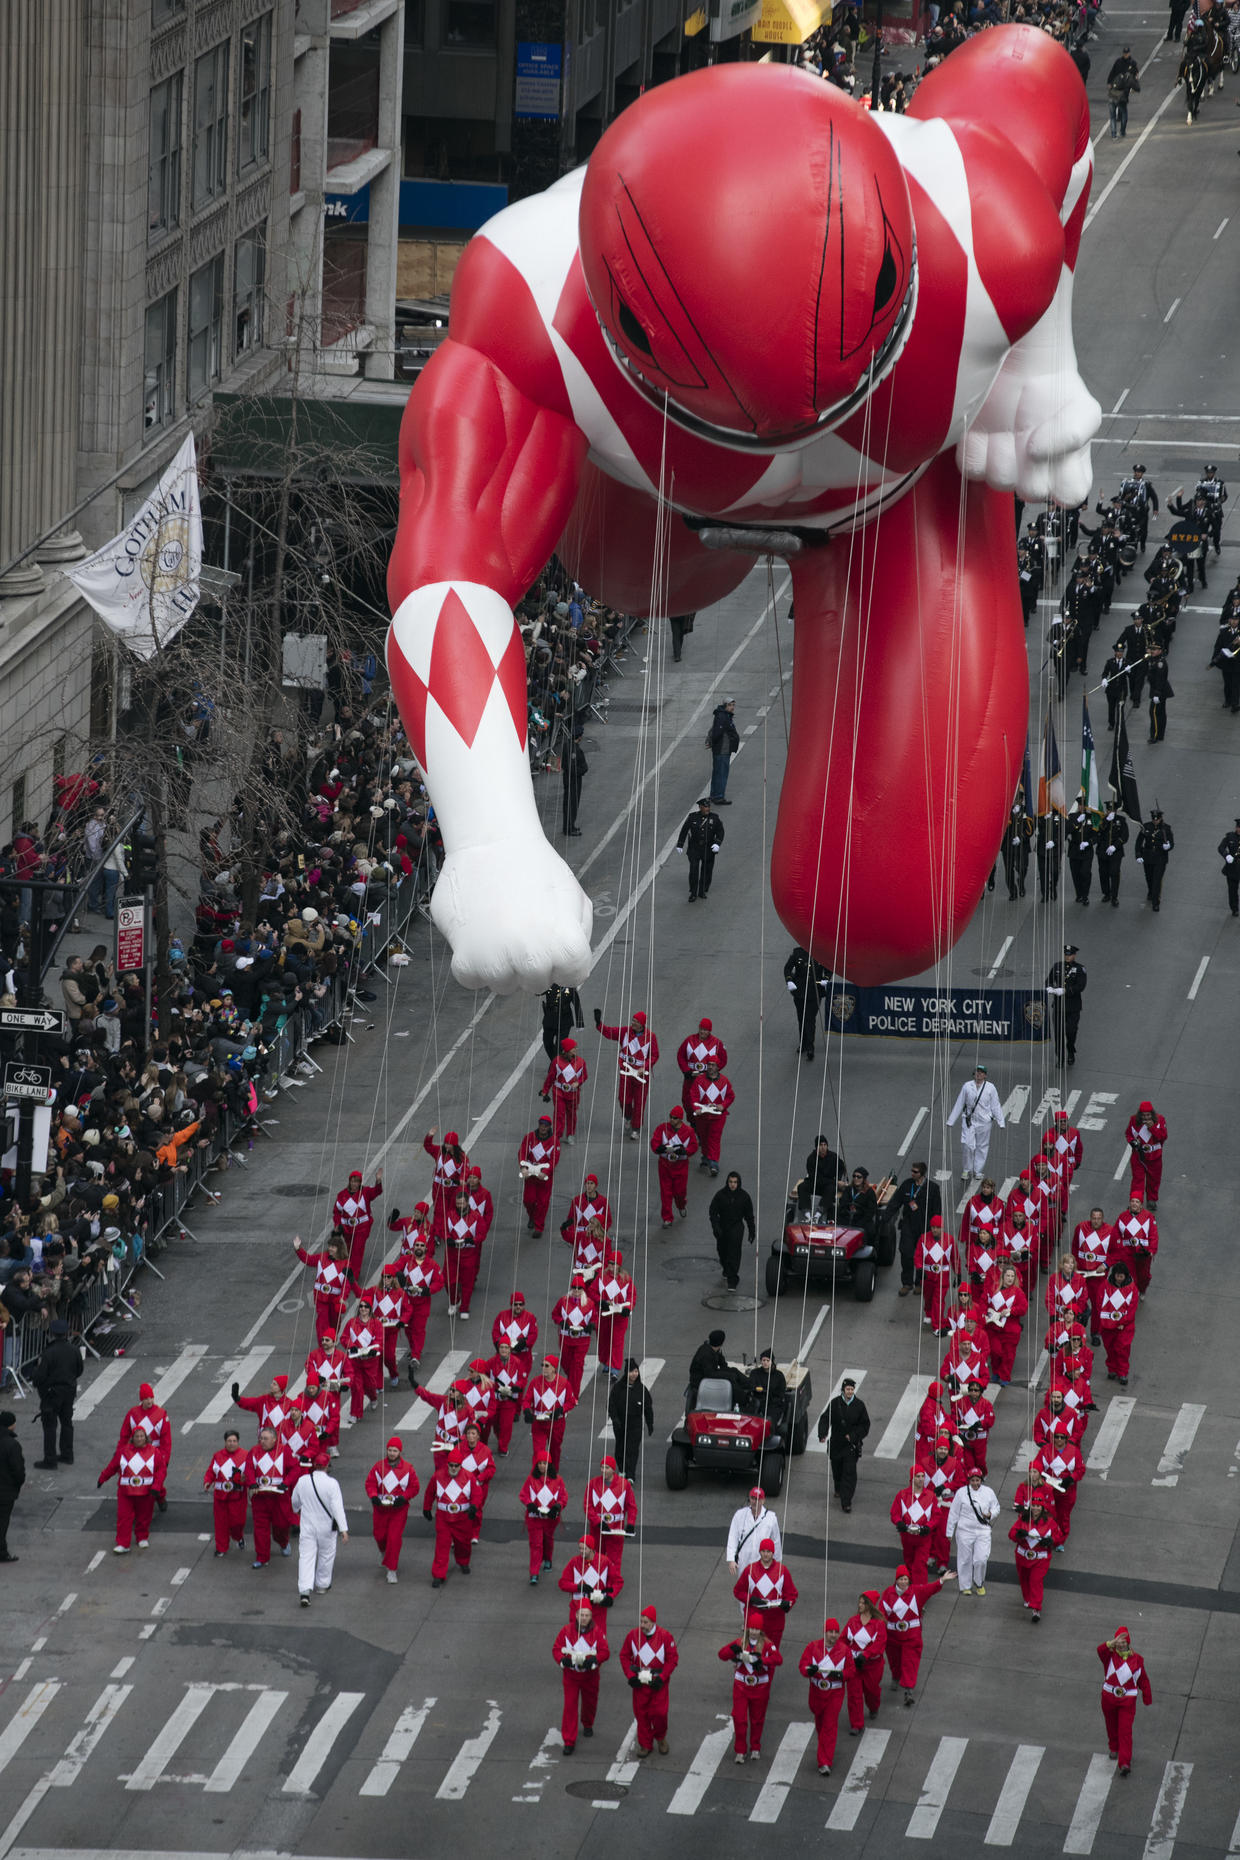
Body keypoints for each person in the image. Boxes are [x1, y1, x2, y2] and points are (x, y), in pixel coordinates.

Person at [880, 1563, 956, 1706]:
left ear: (909, 1580)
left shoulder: (916, 1591)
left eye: (905, 1579)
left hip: (912, 1637)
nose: (903, 1582)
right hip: (892, 1637)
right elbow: (881, 1612)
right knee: (894, 1661)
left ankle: (908, 1691)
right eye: (901, 1579)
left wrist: (942, 1580)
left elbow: (930, 1588)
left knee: (910, 1663)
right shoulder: (888, 1594)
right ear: (896, 1580)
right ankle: (896, 1677)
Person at [720, 1611, 782, 1762]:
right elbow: (721, 1654)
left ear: (761, 1630)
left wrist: (763, 1661)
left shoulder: (768, 1645)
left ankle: (755, 1747)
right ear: (747, 1629)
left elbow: (778, 1659)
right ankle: (740, 1750)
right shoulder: (740, 1642)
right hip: (741, 1686)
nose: (754, 1632)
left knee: (757, 1720)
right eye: (751, 1628)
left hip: (760, 1688)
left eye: (756, 1629)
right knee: (739, 1719)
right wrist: (732, 1652)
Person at [97, 1424, 167, 1554]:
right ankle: (123, 1543)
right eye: (137, 1436)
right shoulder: (123, 1452)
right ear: (132, 1438)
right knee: (124, 1517)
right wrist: (102, 1478)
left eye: (142, 1436)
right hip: (126, 1492)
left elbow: (161, 1471)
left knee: (144, 1516)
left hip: (146, 1492)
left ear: (146, 1438)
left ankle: (142, 1537)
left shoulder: (154, 1452)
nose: (139, 1439)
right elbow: (112, 1467)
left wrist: (156, 1486)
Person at [620, 1604, 678, 1757]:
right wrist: (630, 1676)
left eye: (645, 1622)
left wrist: (662, 1677)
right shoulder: (633, 1635)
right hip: (640, 1683)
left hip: (658, 1683)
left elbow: (672, 1660)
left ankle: (660, 1737)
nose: (642, 1625)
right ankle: (645, 1744)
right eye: (641, 1621)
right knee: (641, 1714)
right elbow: (624, 1656)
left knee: (660, 1713)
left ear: (653, 1622)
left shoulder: (665, 1636)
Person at [291, 1452, 348, 1605]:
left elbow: (294, 1502)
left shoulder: (303, 1481)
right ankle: (322, 1585)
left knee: (306, 1556)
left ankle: (304, 1590)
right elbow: (337, 1508)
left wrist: (297, 1510)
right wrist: (343, 1529)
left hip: (308, 1525)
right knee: (326, 1554)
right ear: (327, 1466)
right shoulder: (332, 1484)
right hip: (326, 1526)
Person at [799, 1620, 855, 1777]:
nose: (833, 1635)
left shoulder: (844, 1650)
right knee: (821, 1724)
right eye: (831, 1632)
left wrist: (841, 1675)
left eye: (836, 1632)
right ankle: (824, 1748)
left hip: (834, 1694)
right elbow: (802, 1666)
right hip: (816, 1693)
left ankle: (824, 1762)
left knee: (829, 1727)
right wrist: (809, 1671)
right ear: (825, 1632)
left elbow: (851, 1670)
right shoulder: (813, 1647)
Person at [554, 1600, 610, 1754]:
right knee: (570, 1707)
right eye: (581, 1615)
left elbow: (605, 1652)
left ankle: (587, 1723)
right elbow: (556, 1649)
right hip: (571, 1676)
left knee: (590, 1703)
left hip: (590, 1676)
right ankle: (569, 1740)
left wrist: (595, 1660)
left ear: (591, 1616)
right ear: (576, 1615)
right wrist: (562, 1660)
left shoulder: (597, 1632)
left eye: (587, 1615)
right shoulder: (566, 1631)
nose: (584, 1618)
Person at [595, 1008, 659, 1138]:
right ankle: (628, 1116)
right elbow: (610, 1032)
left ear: (642, 1024)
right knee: (623, 1099)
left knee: (640, 1102)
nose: (633, 1023)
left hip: (641, 1076)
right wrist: (599, 1023)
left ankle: (636, 1129)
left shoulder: (650, 1037)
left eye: (636, 1021)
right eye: (633, 1020)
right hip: (626, 1072)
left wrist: (645, 1067)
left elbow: (654, 1055)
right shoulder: (625, 1031)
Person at [1098, 1627, 1153, 1775]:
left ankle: (1124, 1762)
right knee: (1111, 1725)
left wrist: (1147, 1696)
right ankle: (1114, 1747)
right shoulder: (1108, 1656)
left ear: (1128, 1643)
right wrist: (1111, 1642)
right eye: (1119, 1642)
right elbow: (1100, 1650)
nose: (1121, 1645)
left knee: (1125, 1731)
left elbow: (1143, 1680)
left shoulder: (1138, 1660)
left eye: (1124, 1642)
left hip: (1127, 1702)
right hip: (1108, 1699)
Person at [31, 1316, 82, 1470]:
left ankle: (50, 1459)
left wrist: (35, 1378)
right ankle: (67, 1454)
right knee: (67, 1423)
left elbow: (40, 1376)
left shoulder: (48, 1353)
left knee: (50, 1426)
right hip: (69, 1391)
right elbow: (79, 1370)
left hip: (52, 1393)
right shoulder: (74, 1350)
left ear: (52, 1333)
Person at [424, 1446, 481, 1586]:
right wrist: (426, 1508)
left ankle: (463, 1561)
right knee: (442, 1546)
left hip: (463, 1518)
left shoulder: (469, 1477)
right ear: (447, 1464)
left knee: (464, 1544)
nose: (454, 1468)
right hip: (444, 1518)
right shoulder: (437, 1476)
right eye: (451, 1465)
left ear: (461, 1465)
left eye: (456, 1466)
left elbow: (477, 1494)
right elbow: (429, 1492)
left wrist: (474, 1507)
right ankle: (438, 1574)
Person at [365, 1436, 418, 1584]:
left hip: (398, 1510)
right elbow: (370, 1483)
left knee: (394, 1539)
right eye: (390, 1450)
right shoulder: (378, 1467)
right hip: (380, 1508)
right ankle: (384, 1553)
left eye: (395, 1450)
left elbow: (414, 1487)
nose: (392, 1453)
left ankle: (392, 1570)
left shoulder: (408, 1469)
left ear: (400, 1452)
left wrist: (404, 1498)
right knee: (379, 1536)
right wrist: (373, 1496)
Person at [817, 1376, 870, 1512]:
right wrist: (822, 1434)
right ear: (843, 1390)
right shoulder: (835, 1403)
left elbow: (865, 1425)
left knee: (849, 1473)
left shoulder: (859, 1405)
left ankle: (846, 1502)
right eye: (848, 1389)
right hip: (836, 1444)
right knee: (837, 1470)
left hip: (851, 1446)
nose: (850, 1391)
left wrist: (853, 1436)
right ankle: (838, 1488)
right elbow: (825, 1418)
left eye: (852, 1389)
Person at [733, 1538, 799, 1647]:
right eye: (763, 1551)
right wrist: (752, 1599)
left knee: (772, 1655)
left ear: (773, 1553)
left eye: (768, 1551)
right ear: (760, 1552)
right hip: (754, 1622)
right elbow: (738, 1591)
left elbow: (792, 1594)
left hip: (775, 1622)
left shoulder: (782, 1571)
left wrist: (787, 1604)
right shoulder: (750, 1569)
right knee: (751, 1653)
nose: (766, 1554)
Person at [946, 1063, 1006, 1185]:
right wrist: (951, 1120)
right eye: (977, 1072)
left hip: (984, 1121)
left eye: (981, 1072)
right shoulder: (967, 1086)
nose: (978, 1074)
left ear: (985, 1075)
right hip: (969, 1120)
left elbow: (995, 1105)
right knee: (967, 1145)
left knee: (982, 1146)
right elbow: (959, 1103)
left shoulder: (990, 1088)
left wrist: (1001, 1121)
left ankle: (978, 1170)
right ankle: (966, 1169)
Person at [244, 1424, 295, 1567]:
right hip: (260, 1497)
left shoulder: (284, 1451)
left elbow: (295, 1468)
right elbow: (248, 1469)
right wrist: (252, 1483)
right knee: (260, 1528)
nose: (262, 1441)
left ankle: (283, 1542)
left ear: (274, 1440)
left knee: (281, 1524)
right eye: (261, 1438)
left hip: (279, 1497)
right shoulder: (254, 1451)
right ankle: (262, 1557)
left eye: (265, 1438)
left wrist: (286, 1483)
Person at [945, 1468, 1000, 1595]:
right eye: (973, 1480)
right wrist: (949, 1532)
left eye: (978, 1480)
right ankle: (965, 1586)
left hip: (983, 1530)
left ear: (981, 1480)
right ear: (969, 1480)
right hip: (965, 1530)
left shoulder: (989, 1492)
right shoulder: (961, 1493)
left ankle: (979, 1582)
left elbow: (996, 1507)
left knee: (981, 1559)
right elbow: (953, 1512)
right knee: (964, 1559)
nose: (975, 1483)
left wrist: (990, 1514)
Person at [1009, 1503, 1063, 1622]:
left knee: (1036, 1580)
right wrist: (1018, 1535)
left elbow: (1059, 1536)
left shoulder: (1050, 1522)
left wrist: (1051, 1540)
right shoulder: (1023, 1519)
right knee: (1024, 1579)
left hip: (1040, 1559)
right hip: (1022, 1556)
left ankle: (1036, 1609)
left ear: (1043, 1508)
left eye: (1038, 1506)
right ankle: (1028, 1599)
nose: (1035, 1508)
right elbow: (1011, 1534)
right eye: (1033, 1505)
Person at [520, 1454, 568, 1583]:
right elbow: (523, 1495)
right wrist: (530, 1505)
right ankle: (534, 1573)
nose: (542, 1466)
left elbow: (563, 1497)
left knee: (547, 1540)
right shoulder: (531, 1479)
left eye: (545, 1463)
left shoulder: (558, 1480)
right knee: (536, 1544)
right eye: (540, 1463)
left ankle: (548, 1559)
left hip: (550, 1519)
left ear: (549, 1465)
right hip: (534, 1518)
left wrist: (557, 1507)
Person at [894, 1162, 940, 1293]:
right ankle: (907, 1283)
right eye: (912, 1171)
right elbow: (896, 1202)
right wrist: (885, 1218)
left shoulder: (933, 1188)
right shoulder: (907, 1185)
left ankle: (920, 1282)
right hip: (908, 1225)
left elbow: (937, 1210)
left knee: (923, 1256)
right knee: (906, 1253)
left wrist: (935, 1228)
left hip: (924, 1226)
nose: (912, 1174)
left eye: (915, 1172)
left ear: (922, 1174)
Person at [843, 1592, 887, 1729]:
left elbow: (879, 1645)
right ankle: (856, 1725)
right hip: (854, 1665)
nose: (860, 1605)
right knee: (854, 1695)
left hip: (872, 1666)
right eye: (860, 1602)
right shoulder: (852, 1621)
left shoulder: (879, 1624)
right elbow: (843, 1640)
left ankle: (874, 1707)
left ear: (870, 1605)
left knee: (871, 1692)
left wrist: (865, 1655)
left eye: (863, 1603)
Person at [650, 1105, 698, 1226]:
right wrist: (657, 1148)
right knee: (665, 1193)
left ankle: (681, 1205)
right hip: (664, 1166)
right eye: (671, 1117)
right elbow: (655, 1141)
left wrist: (685, 1152)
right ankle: (667, 1218)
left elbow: (693, 1146)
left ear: (681, 1119)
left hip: (681, 1167)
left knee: (680, 1192)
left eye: (675, 1118)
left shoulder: (689, 1131)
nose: (672, 1120)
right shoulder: (662, 1128)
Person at [203, 1429, 249, 1558]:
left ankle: (238, 1537)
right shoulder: (217, 1456)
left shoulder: (246, 1455)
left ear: (238, 1442)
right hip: (220, 1497)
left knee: (237, 1523)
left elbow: (250, 1474)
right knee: (220, 1524)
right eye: (229, 1441)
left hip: (237, 1497)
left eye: (234, 1441)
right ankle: (221, 1548)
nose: (231, 1443)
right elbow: (211, 1472)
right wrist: (207, 1481)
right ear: (225, 1442)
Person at [687, 1060, 735, 1178]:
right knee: (703, 1137)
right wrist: (696, 1108)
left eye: (713, 1065)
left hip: (718, 1117)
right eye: (709, 1065)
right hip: (702, 1116)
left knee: (714, 1138)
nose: (710, 1067)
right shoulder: (699, 1080)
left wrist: (723, 1106)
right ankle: (705, 1156)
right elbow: (693, 1095)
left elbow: (730, 1096)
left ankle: (713, 1162)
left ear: (718, 1067)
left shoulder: (724, 1081)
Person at [332, 1168, 383, 1277]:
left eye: (357, 1181)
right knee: (350, 1251)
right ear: (349, 1181)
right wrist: (337, 1225)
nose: (355, 1184)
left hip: (362, 1229)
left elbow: (377, 1192)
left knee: (357, 1251)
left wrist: (378, 1181)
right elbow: (336, 1212)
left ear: (360, 1182)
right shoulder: (341, 1195)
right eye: (353, 1181)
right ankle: (348, 1269)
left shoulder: (365, 1192)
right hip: (347, 1229)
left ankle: (353, 1277)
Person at [709, 1170, 755, 1289]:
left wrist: (752, 1231)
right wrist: (715, 1226)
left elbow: (749, 1216)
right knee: (722, 1251)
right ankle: (726, 1268)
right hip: (722, 1227)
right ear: (727, 1182)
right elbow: (712, 1211)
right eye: (730, 1182)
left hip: (736, 1228)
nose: (732, 1184)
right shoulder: (720, 1195)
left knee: (734, 1253)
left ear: (738, 1183)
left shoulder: (744, 1197)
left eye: (735, 1182)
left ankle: (733, 1279)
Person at [608, 1359, 653, 1479]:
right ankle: (622, 1470)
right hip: (620, 1425)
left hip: (635, 1425)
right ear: (626, 1373)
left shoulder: (641, 1389)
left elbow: (648, 1408)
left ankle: (630, 1475)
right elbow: (611, 1405)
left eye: (636, 1371)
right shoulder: (618, 1388)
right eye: (631, 1371)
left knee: (632, 1450)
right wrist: (615, 1419)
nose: (634, 1374)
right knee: (620, 1449)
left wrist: (650, 1424)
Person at [890, 1467, 938, 1581]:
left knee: (920, 1566)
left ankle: (919, 1591)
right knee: (909, 1563)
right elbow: (894, 1513)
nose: (921, 1479)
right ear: (912, 1478)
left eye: (922, 1476)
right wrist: (899, 1523)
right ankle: (910, 1589)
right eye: (918, 1476)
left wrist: (928, 1526)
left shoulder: (931, 1496)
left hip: (923, 1539)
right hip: (907, 1538)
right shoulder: (902, 1495)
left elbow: (937, 1516)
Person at [518, 1115, 560, 1238]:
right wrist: (523, 1167)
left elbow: (554, 1159)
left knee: (542, 1203)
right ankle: (532, 1216)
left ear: (549, 1127)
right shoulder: (529, 1137)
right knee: (528, 1200)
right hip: (530, 1176)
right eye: (541, 1124)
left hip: (544, 1178)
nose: (543, 1127)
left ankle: (539, 1227)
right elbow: (522, 1152)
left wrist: (545, 1172)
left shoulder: (554, 1141)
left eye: (546, 1126)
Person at [676, 797, 725, 902]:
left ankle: (702, 891)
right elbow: (684, 830)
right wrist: (680, 844)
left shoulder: (714, 818)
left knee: (706, 871)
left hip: (708, 848)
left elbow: (720, 831)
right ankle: (693, 893)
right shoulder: (692, 817)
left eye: (709, 807)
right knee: (694, 871)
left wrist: (717, 843)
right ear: (700, 807)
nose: (708, 809)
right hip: (695, 848)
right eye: (705, 807)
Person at [1098, 1262, 1138, 1385]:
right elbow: (1100, 1303)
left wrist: (1123, 1322)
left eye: (1121, 1276)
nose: (1119, 1279)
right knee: (1109, 1347)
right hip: (1107, 1325)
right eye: (1117, 1276)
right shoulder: (1105, 1286)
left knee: (1122, 1349)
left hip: (1124, 1327)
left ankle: (1123, 1372)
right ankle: (1112, 1369)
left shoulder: (1132, 1289)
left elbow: (1131, 1309)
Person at [726, 1485, 782, 1576]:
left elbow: (776, 1542)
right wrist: (731, 1559)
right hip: (744, 1561)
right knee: (743, 1588)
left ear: (763, 1501)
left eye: (758, 1499)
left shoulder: (771, 1518)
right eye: (753, 1498)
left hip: (762, 1562)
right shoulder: (740, 1515)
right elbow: (733, 1537)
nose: (755, 1502)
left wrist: (777, 1564)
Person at [541, 1037, 587, 1144]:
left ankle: (570, 1134)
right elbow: (551, 1077)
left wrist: (578, 1082)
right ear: (566, 1051)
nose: (575, 1050)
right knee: (559, 1114)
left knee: (572, 1114)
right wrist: (545, 1091)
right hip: (559, 1092)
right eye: (573, 1048)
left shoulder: (581, 1062)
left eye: (575, 1048)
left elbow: (584, 1075)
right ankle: (557, 1135)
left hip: (573, 1094)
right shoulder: (556, 1062)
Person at [1046, 944, 1086, 1064]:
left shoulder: (1080, 969)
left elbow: (1081, 986)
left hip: (1073, 1007)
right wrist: (1049, 988)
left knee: (1071, 1031)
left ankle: (1070, 1049)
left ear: (1074, 955)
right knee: (1058, 1033)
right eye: (1066, 955)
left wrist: (1065, 991)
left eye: (1070, 955)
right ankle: (1060, 1057)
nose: (1067, 957)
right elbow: (1048, 980)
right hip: (1059, 1006)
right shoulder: (1057, 966)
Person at [784, 945, 824, 1060]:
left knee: (810, 1019)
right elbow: (787, 968)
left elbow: (829, 967)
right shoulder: (798, 953)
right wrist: (789, 981)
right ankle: (803, 1043)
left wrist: (826, 978)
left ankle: (810, 1047)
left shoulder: (821, 952)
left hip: (814, 991)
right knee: (801, 1018)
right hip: (800, 991)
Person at [1125, 1103, 1166, 1208]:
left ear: (1152, 1114)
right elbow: (1128, 1134)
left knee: (1154, 1179)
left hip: (1155, 1156)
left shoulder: (1160, 1120)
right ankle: (1136, 1202)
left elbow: (1163, 1136)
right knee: (1137, 1180)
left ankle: (1151, 1200)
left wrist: (1152, 1128)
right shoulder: (1133, 1120)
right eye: (1143, 1115)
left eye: (1148, 1115)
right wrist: (1132, 1142)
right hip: (1138, 1156)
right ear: (1140, 1114)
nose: (1146, 1117)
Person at [1134, 811, 1173, 909]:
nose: (1155, 821)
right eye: (1153, 819)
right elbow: (1139, 842)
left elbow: (1171, 843)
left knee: (1157, 879)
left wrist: (1168, 846)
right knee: (1149, 877)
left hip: (1160, 857)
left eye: (1157, 819)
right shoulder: (1146, 827)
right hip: (1147, 856)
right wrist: (1138, 855)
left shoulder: (1166, 828)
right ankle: (1151, 891)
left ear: (1160, 819)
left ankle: (1156, 902)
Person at [0, 1411, 25, 1562]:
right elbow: (18, 1471)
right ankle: (2, 1552)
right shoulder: (12, 1445)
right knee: (2, 1522)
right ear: (11, 1425)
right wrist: (17, 1484)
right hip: (5, 1491)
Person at [707, 699, 740, 804]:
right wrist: (714, 742)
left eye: (733, 705)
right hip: (722, 750)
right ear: (725, 705)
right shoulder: (723, 717)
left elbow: (713, 730)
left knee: (717, 772)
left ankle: (714, 795)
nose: (732, 707)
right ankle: (718, 797)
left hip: (721, 749)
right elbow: (717, 732)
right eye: (730, 705)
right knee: (721, 773)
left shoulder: (722, 715)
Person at [541, 983, 584, 1061]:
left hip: (564, 1021)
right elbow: (538, 992)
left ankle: (555, 1066)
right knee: (547, 1043)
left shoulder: (570, 987)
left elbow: (577, 1004)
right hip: (549, 1020)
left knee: (559, 1047)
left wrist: (580, 1023)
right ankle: (555, 1062)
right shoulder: (549, 984)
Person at [1106, 46, 1140, 137]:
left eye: (1126, 53)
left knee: (1114, 115)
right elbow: (1136, 78)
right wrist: (1134, 87)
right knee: (1123, 113)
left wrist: (1109, 83)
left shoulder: (1119, 62)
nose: (1125, 54)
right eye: (1125, 53)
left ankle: (1115, 133)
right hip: (1122, 93)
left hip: (1114, 91)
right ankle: (1121, 132)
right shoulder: (1132, 64)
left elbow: (1112, 73)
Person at [561, 724, 587, 836]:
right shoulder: (575, 750)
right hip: (574, 780)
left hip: (567, 778)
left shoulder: (567, 745)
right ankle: (569, 828)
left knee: (568, 802)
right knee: (572, 803)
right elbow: (574, 767)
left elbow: (563, 764)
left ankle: (568, 826)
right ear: (579, 736)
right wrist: (583, 769)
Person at [1218, 819, 1240, 915]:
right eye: (1239, 827)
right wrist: (1226, 855)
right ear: (1236, 828)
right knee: (1232, 891)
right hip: (1232, 869)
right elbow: (1221, 847)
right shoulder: (1230, 837)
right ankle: (1234, 909)